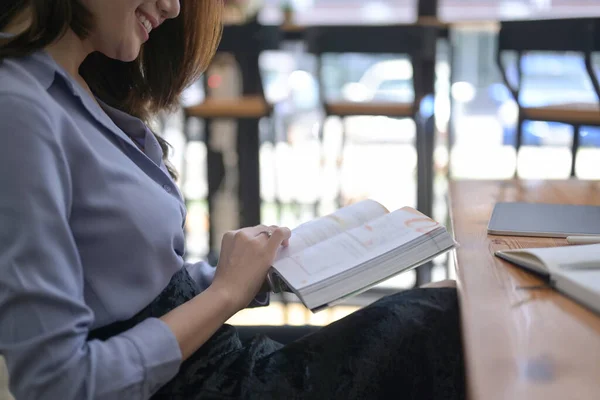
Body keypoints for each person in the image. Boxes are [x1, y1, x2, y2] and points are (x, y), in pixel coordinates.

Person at [0, 1, 465, 399]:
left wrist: (243, 274)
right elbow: (58, 384)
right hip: (195, 382)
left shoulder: (72, 87)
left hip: (210, 365)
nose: (174, 7)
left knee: (446, 311)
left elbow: (133, 297)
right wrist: (225, 293)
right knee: (442, 327)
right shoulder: (19, 109)